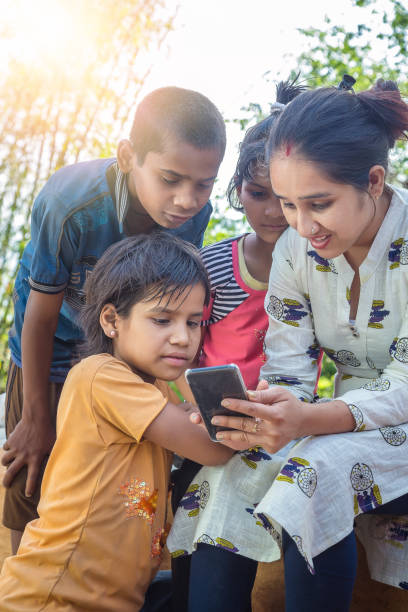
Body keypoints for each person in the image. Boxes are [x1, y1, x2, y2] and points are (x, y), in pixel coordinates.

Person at [192, 77, 408, 610]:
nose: (301, 225)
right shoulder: (294, 249)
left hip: (388, 417)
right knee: (231, 473)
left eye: (319, 203)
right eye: (289, 205)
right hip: (343, 415)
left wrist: (308, 421)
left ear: (374, 181)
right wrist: (262, 412)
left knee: (317, 471)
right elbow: (288, 365)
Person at [2, 85, 226, 554]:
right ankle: (25, 572)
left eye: (203, 184)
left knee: (126, 477)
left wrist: (186, 393)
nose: (187, 200)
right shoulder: (71, 203)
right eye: (170, 179)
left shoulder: (193, 214)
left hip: (129, 352)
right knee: (33, 468)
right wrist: (38, 416)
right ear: (128, 157)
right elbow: (40, 318)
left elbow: (176, 307)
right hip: (52, 343)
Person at [0, 232, 233, 611]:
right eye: (162, 320)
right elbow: (212, 447)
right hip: (54, 596)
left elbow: (203, 420)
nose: (182, 337)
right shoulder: (103, 376)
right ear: (112, 320)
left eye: (193, 322)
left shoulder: (154, 383)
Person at [168, 79, 316, 612]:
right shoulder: (212, 267)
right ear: (237, 193)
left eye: (283, 197)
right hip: (207, 421)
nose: (273, 212)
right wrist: (187, 403)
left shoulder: (318, 270)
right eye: (257, 196)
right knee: (194, 502)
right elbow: (180, 351)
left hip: (280, 426)